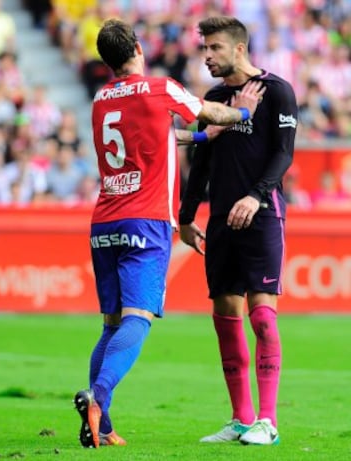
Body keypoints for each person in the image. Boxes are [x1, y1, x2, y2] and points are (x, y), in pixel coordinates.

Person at [73, 18, 265, 449]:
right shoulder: (158, 88)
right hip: (146, 220)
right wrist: (245, 110)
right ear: (138, 48)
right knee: (138, 319)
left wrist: (199, 137)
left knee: (110, 324)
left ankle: (102, 425)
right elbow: (210, 109)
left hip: (104, 220)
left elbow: (155, 134)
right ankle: (97, 397)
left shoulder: (101, 100)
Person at [179, 16, 298, 446]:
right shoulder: (212, 99)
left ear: (239, 49)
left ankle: (269, 421)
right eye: (204, 49)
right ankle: (242, 419)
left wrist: (256, 195)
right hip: (220, 223)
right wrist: (187, 215)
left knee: (262, 316)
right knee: (225, 317)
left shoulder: (277, 91)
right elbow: (201, 161)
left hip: (263, 215)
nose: (206, 56)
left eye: (214, 48)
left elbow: (284, 154)